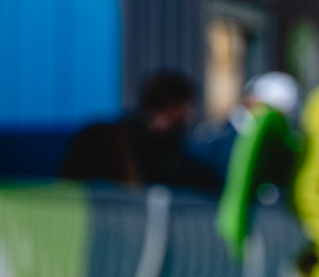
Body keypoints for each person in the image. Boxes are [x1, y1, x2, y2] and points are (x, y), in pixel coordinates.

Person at [57, 68, 219, 191]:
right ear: (176, 108)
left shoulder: (110, 133)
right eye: (184, 110)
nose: (188, 118)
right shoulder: (111, 141)